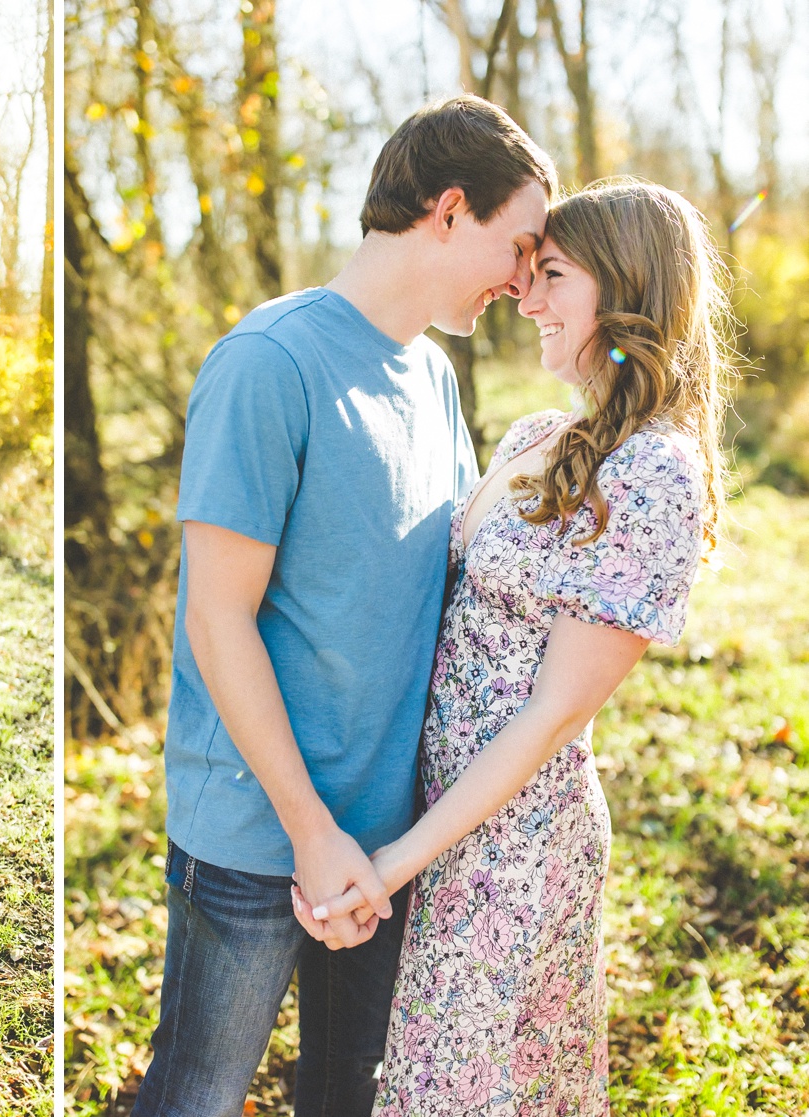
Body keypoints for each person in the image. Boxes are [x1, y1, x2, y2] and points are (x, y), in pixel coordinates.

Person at [131, 96, 556, 1117]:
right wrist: (308, 827)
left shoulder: (433, 379)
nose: (525, 278)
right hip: (254, 835)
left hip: (386, 838)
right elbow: (215, 619)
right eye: (520, 244)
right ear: (451, 209)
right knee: (197, 1091)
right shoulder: (267, 363)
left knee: (346, 1098)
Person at [306, 179, 733, 1116]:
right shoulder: (542, 434)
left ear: (623, 293)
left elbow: (551, 716)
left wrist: (394, 862)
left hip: (517, 845)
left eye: (553, 276)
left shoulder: (655, 474)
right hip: (438, 816)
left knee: (472, 1091)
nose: (525, 298)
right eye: (527, 272)